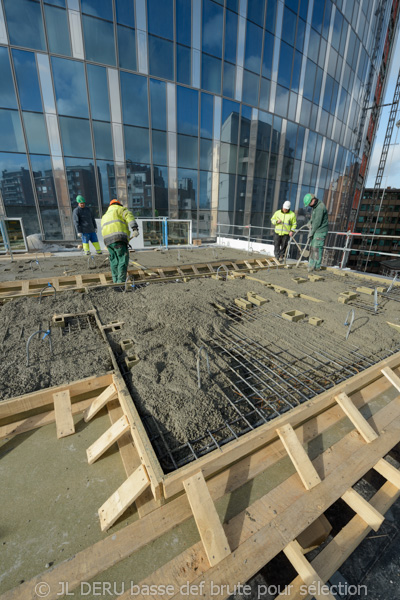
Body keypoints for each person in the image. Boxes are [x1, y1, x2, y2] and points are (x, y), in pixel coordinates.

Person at [101, 199, 138, 285]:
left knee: (114, 261)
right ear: (119, 204)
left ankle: (115, 282)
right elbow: (130, 217)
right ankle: (120, 283)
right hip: (119, 239)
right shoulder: (121, 209)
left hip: (108, 242)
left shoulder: (104, 216)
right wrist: (135, 229)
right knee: (122, 259)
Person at [303, 193, 329, 271]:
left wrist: (311, 232)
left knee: (316, 248)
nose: (309, 206)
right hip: (316, 230)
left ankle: (316, 267)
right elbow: (314, 218)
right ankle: (311, 265)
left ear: (313, 200)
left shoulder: (320, 208)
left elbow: (317, 222)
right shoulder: (315, 206)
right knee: (312, 247)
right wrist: (310, 222)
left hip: (320, 231)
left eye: (309, 204)